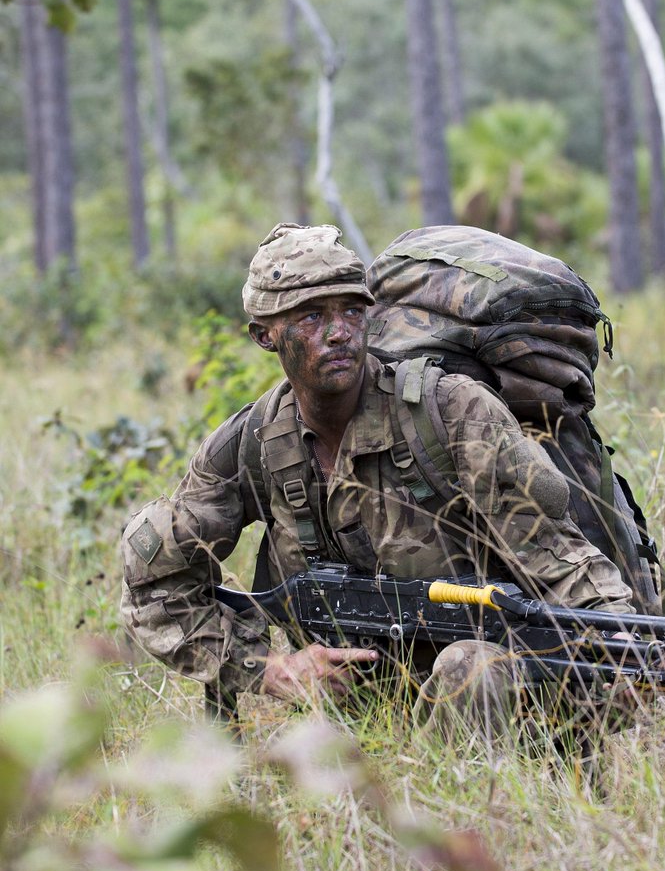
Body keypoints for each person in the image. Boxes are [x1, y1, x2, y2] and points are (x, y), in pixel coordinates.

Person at [120, 223, 635, 730]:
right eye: (310, 316)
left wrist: (625, 644)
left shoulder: (449, 412)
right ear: (264, 335)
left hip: (498, 680)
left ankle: (463, 810)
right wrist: (273, 670)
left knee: (470, 670)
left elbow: (558, 555)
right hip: (355, 701)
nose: (339, 331)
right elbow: (153, 583)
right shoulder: (250, 442)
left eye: (351, 309)